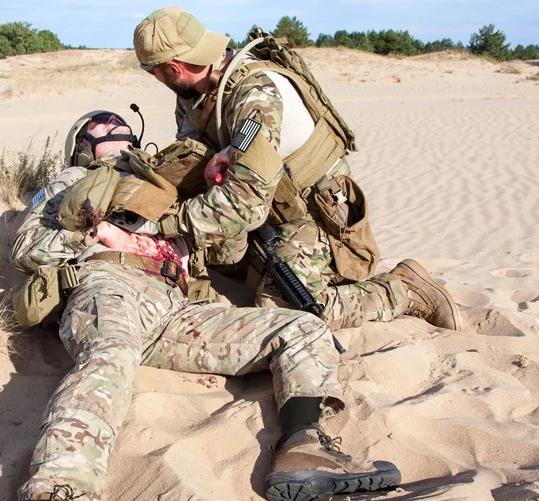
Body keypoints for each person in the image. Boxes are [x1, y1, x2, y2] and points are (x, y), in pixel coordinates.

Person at [0, 111, 400, 501]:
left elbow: (225, 250)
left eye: (123, 124)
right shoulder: (73, 180)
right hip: (110, 284)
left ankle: (304, 444)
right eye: (102, 129)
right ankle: (53, 500)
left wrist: (210, 194)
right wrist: (98, 230)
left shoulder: (169, 179)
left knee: (301, 329)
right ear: (82, 147)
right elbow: (28, 248)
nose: (117, 130)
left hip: (177, 307)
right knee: (109, 359)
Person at [131, 7, 462, 333]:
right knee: (214, 257)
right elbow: (193, 158)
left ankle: (403, 290)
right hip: (270, 208)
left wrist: (158, 224)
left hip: (315, 216)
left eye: (153, 71)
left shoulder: (256, 95)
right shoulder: (195, 95)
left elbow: (244, 204)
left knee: (283, 311)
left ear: (172, 68)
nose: (157, 79)